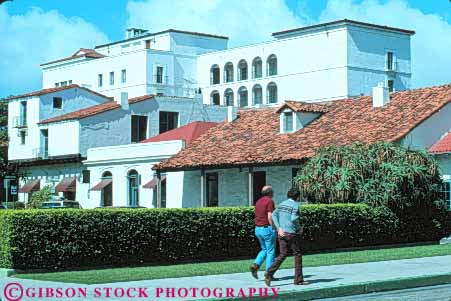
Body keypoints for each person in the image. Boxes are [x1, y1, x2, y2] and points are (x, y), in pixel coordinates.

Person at [264, 187, 308, 286]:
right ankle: (298, 280)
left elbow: (274, 215)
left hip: (281, 233)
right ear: (297, 197)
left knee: (282, 255)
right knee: (297, 254)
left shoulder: (281, 204)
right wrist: (299, 228)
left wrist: (279, 228)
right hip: (291, 233)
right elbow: (293, 219)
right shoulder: (295, 206)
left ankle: (269, 272)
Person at [249, 185, 276, 279]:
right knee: (271, 251)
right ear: (270, 193)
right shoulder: (270, 201)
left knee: (264, 249)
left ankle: (255, 265)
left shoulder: (258, 202)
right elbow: (270, 216)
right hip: (267, 228)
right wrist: (274, 227)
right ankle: (269, 274)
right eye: (272, 191)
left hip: (258, 229)